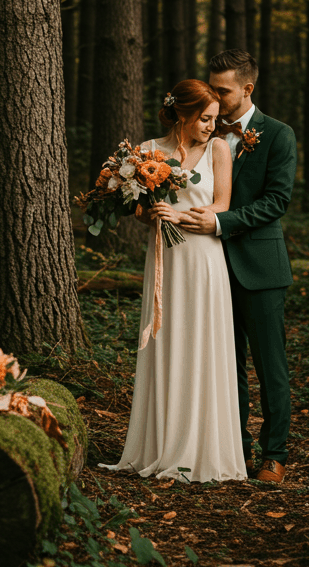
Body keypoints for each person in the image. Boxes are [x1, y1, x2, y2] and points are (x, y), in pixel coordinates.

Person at [101, 79, 247, 483]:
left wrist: (178, 215)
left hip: (203, 260)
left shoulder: (219, 149)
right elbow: (140, 212)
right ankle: (161, 443)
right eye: (204, 119)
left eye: (215, 120)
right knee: (168, 342)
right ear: (181, 114)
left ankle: (203, 448)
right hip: (165, 256)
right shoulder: (147, 151)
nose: (211, 127)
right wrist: (151, 214)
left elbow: (221, 206)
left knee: (202, 343)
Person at [178, 50, 297, 485]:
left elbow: (277, 202)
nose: (214, 95)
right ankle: (235, 449)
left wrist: (220, 222)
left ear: (248, 89)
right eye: (211, 86)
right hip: (208, 269)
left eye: (222, 90)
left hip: (260, 268)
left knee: (270, 366)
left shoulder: (279, 135)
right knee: (226, 364)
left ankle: (275, 455)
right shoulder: (201, 134)